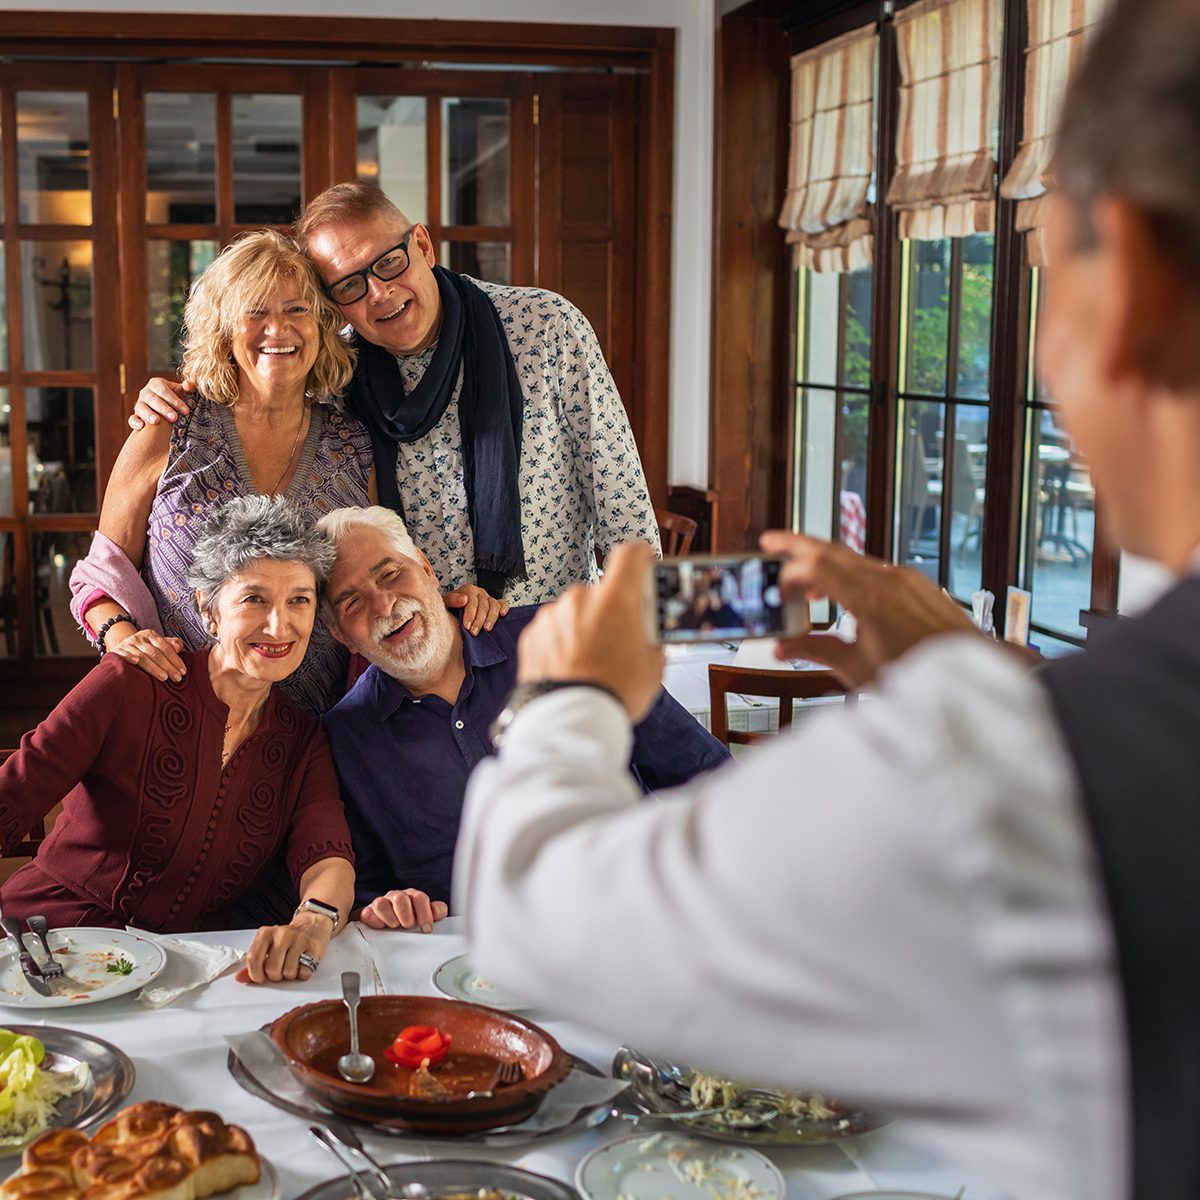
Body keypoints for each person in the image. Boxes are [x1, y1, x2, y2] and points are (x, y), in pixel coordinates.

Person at [453, 2, 1200, 1196]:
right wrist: (986, 682)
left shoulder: (1016, 783)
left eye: (1050, 261)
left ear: (1136, 286)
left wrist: (571, 699)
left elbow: (536, 908)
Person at [130, 182, 661, 605]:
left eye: (388, 262)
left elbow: (624, 509)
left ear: (423, 245)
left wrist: (637, 644)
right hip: (417, 662)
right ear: (334, 305)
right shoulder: (334, 370)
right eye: (350, 285)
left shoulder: (545, 327)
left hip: (555, 641)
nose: (380, 293)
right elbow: (250, 372)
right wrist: (172, 394)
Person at [69, 229, 500, 717]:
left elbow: (372, 582)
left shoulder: (352, 446)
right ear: (224, 329)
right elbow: (101, 577)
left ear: (322, 327)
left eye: (297, 310)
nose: (278, 330)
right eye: (256, 312)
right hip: (176, 715)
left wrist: (449, 607)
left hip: (313, 734)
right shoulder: (169, 426)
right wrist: (125, 640)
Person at [315, 505, 729, 932]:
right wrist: (388, 905)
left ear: (426, 567)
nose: (384, 605)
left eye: (390, 574)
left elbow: (708, 775)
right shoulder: (348, 737)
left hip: (637, 925)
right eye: (351, 602)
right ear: (340, 636)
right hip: (468, 968)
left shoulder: (562, 641)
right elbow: (368, 890)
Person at [1, 497, 355, 984]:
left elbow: (327, 854)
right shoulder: (128, 682)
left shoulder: (303, 739)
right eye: (254, 599)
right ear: (208, 609)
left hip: (182, 972)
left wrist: (314, 920)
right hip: (46, 944)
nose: (279, 625)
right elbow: (13, 793)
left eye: (299, 599)